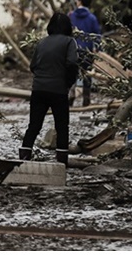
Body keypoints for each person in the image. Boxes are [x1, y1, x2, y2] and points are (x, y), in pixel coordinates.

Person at [20, 12, 79, 165]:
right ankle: (61, 161)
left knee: (34, 124)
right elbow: (72, 63)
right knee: (61, 126)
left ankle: (24, 157)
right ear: (68, 27)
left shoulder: (42, 43)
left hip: (38, 89)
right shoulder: (69, 42)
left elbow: (33, 66)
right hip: (58, 90)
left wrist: (41, 78)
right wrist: (69, 82)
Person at [68, 0, 103, 106]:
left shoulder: (71, 16)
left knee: (72, 73)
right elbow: (97, 36)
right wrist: (98, 50)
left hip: (73, 50)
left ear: (80, 2)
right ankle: (86, 99)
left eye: (77, 0)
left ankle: (71, 96)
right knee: (86, 74)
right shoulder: (92, 18)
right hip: (87, 51)